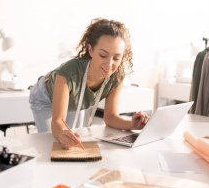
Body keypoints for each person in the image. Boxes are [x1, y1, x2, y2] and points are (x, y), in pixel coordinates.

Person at [29, 18, 149, 149]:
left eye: (116, 58)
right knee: (52, 143)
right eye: (103, 55)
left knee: (75, 140)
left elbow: (110, 117)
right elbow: (57, 121)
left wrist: (133, 124)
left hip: (73, 100)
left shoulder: (117, 77)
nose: (109, 64)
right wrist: (61, 133)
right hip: (45, 97)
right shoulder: (67, 74)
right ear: (91, 50)